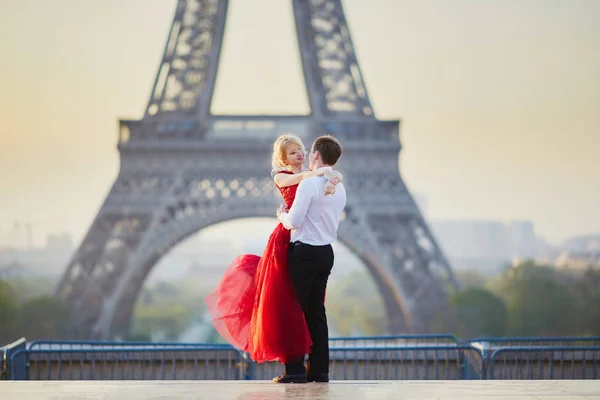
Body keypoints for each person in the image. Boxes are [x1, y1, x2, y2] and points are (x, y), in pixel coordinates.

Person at [205, 134, 342, 365]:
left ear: (313, 154)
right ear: (283, 159)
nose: (299, 153)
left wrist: (329, 176)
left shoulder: (316, 180)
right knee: (291, 305)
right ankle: (304, 368)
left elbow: (319, 181)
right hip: (289, 240)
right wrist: (325, 174)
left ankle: (298, 370)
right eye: (292, 152)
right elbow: (302, 182)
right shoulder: (285, 176)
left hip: (302, 244)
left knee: (298, 307)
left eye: (301, 149)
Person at [273, 135, 346, 384]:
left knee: (293, 310)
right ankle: (319, 371)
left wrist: (282, 215)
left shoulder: (309, 184)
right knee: (316, 313)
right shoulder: (338, 185)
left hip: (304, 253)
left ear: (314, 155)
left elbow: (294, 222)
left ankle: (294, 370)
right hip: (326, 253)